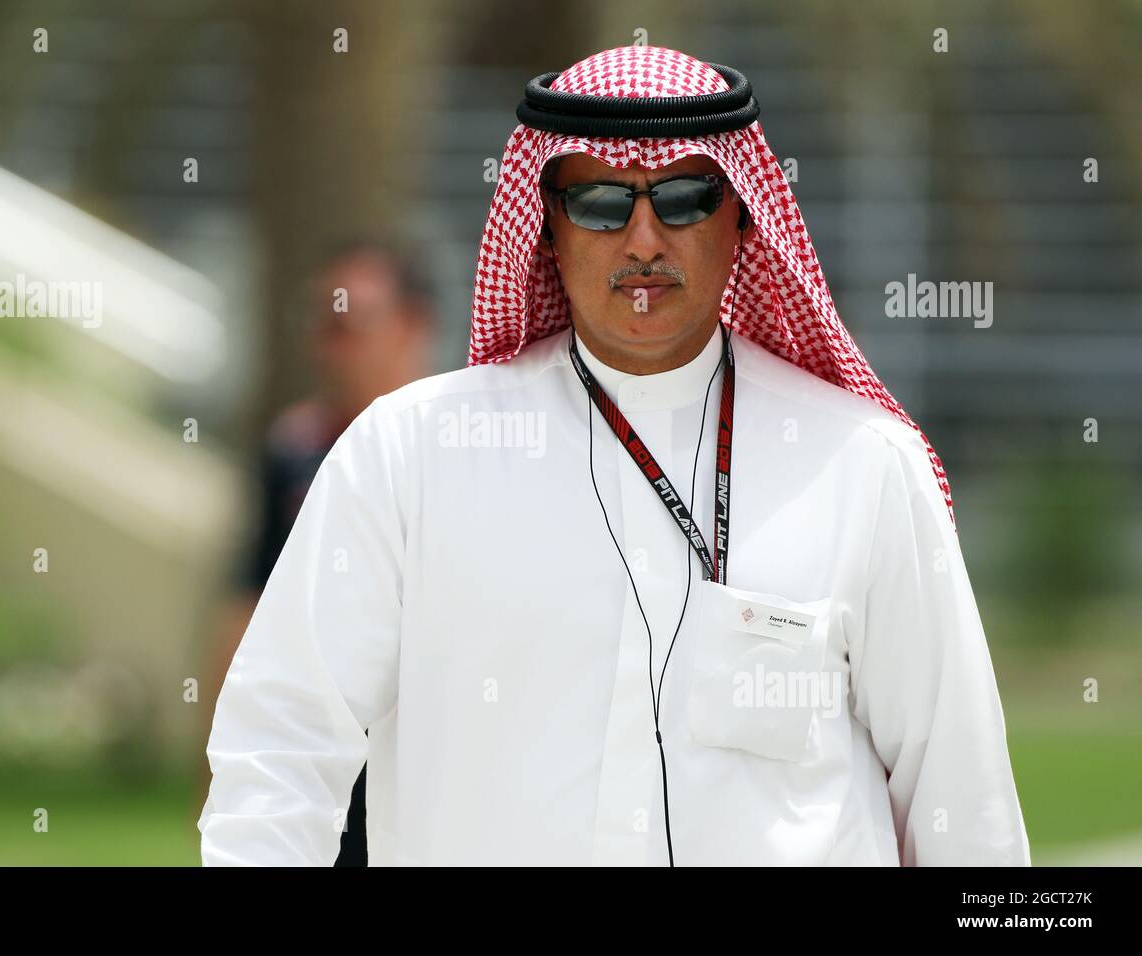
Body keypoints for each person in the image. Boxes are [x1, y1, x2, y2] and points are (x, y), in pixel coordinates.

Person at [198, 46, 1030, 866]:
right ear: (548, 224)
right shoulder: (407, 456)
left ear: (740, 214)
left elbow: (961, 805)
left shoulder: (862, 464)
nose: (642, 239)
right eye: (599, 201)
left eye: (683, 197)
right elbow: (281, 754)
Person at [202, 239, 435, 866]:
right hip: (321, 752)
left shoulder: (456, 449)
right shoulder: (295, 449)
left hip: (426, 757)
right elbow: (249, 603)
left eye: (350, 326)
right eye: (323, 326)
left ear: (413, 324)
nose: (331, 347)